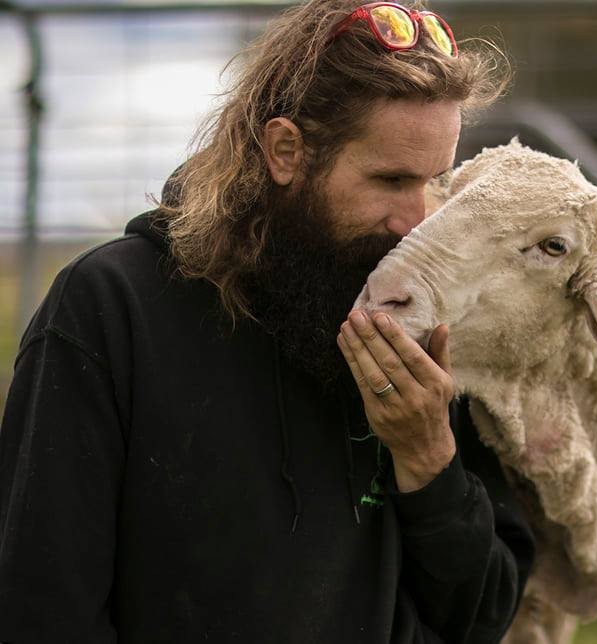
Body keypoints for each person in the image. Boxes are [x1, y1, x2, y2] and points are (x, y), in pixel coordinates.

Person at [0, 1, 535, 642]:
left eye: (435, 180)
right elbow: (43, 604)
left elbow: (481, 618)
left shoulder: (427, 318)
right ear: (285, 151)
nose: (416, 218)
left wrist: (428, 462)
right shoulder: (114, 308)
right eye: (390, 179)